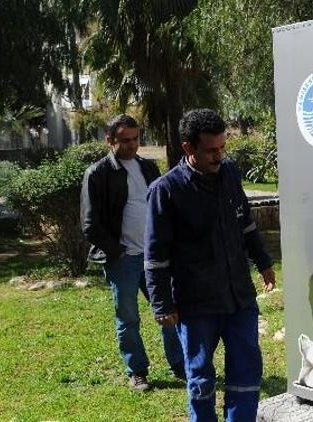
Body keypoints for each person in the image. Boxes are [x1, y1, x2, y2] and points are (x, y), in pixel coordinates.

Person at [144, 109, 275, 421]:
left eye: (222, 148)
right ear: (189, 149)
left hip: (239, 297)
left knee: (246, 372)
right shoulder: (165, 191)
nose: (219, 157)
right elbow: (155, 254)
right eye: (211, 151)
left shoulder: (229, 173)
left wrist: (263, 261)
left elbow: (245, 222)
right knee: (201, 379)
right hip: (196, 303)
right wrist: (162, 302)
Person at [81, 114, 185, 392]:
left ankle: (180, 364)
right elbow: (90, 225)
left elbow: (163, 208)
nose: (132, 145)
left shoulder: (148, 168)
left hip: (154, 259)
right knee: (128, 319)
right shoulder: (98, 173)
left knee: (168, 311)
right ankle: (137, 371)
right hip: (123, 261)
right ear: (110, 141)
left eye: (136, 139)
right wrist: (117, 252)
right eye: (125, 140)